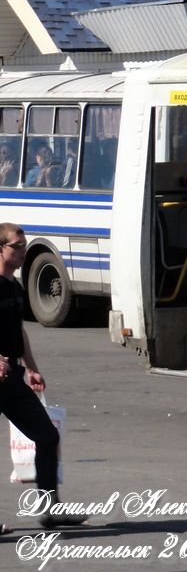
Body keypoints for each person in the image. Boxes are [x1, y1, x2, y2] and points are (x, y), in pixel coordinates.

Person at [0, 223, 87, 533]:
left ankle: (51, 510)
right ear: (1, 249)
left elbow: (18, 331)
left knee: (47, 436)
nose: (24, 252)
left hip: (12, 377)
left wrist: (32, 367)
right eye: (17, 246)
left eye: (24, 246)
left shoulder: (15, 287)